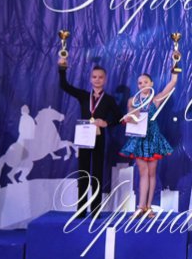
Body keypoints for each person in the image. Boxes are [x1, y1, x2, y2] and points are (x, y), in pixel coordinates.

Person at [59, 59, 119, 217]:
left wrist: (106, 122)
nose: (97, 80)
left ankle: (96, 209)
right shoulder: (84, 96)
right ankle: (81, 209)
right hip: (84, 137)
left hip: (99, 137)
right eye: (94, 77)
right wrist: (62, 67)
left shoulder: (109, 99)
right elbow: (64, 86)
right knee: (83, 172)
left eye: (100, 77)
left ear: (105, 79)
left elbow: (119, 117)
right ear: (90, 79)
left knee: (97, 173)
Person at [119, 69, 178, 218]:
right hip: (139, 139)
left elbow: (172, 83)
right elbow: (131, 118)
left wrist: (175, 67)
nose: (143, 85)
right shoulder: (132, 100)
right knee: (143, 173)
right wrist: (128, 117)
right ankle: (141, 206)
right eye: (140, 83)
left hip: (153, 138)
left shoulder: (156, 99)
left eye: (146, 82)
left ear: (151, 83)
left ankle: (148, 207)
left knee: (152, 173)